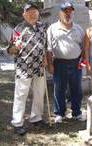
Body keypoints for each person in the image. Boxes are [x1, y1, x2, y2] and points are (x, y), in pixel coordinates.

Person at [7, 2, 47, 135]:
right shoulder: (18, 29)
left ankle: (36, 118)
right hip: (23, 67)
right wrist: (15, 47)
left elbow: (44, 45)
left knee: (39, 93)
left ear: (38, 13)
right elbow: (10, 50)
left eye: (34, 12)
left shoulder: (42, 27)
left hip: (39, 66)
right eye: (29, 12)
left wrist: (45, 58)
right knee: (21, 95)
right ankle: (17, 123)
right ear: (24, 14)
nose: (32, 14)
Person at [47, 1, 85, 123]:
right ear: (60, 13)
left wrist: (82, 62)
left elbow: (83, 47)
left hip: (76, 63)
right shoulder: (52, 28)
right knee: (59, 89)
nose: (68, 14)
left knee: (77, 89)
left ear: (73, 13)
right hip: (59, 63)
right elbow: (48, 48)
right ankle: (59, 113)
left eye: (70, 11)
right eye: (65, 11)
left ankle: (76, 112)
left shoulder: (78, 28)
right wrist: (50, 64)